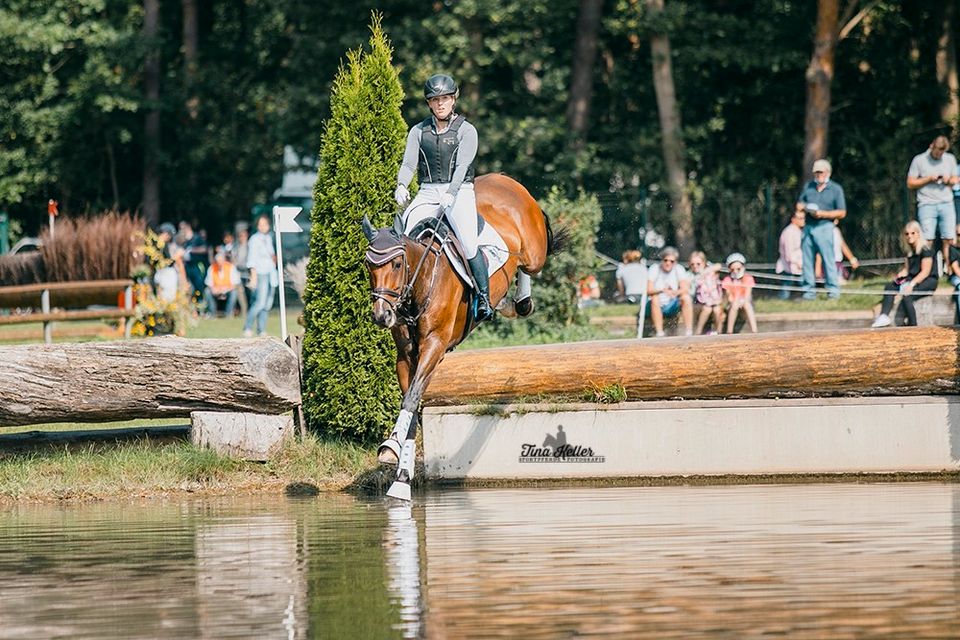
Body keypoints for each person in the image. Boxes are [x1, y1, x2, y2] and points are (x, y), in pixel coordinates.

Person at [394, 73, 492, 321]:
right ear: (429, 103)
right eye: (435, 100)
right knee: (407, 235)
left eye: (445, 99)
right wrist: (402, 185)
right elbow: (408, 164)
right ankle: (405, 295)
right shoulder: (418, 131)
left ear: (453, 100)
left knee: (469, 243)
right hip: (427, 191)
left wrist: (451, 193)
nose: (440, 104)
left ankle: (483, 298)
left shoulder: (467, 130)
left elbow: (462, 167)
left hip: (459, 191)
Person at [871, 220, 939, 328]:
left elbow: (925, 272)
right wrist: (898, 277)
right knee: (890, 286)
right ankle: (884, 316)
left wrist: (911, 285)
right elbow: (907, 270)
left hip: (927, 281)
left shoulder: (926, 249)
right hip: (913, 279)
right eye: (907, 234)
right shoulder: (910, 251)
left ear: (918, 233)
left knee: (907, 296)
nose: (909, 236)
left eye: (913, 233)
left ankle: (913, 325)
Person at [907, 135, 960, 270]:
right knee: (927, 239)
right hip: (927, 203)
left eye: (941, 152)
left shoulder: (949, 159)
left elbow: (955, 179)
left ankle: (950, 272)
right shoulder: (919, 160)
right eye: (937, 152)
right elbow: (910, 183)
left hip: (946, 202)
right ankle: (928, 270)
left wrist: (948, 180)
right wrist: (929, 179)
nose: (939, 155)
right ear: (932, 146)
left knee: (949, 239)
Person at [797, 159, 846, 300]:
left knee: (828, 260)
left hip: (825, 226)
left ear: (828, 172)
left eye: (821, 172)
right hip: (809, 226)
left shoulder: (836, 189)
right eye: (816, 172)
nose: (818, 175)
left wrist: (823, 214)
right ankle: (808, 292)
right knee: (807, 261)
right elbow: (800, 204)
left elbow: (842, 212)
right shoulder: (808, 187)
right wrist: (803, 208)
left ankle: (833, 291)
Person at [646, 246, 693, 337]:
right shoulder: (654, 268)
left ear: (675, 262)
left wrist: (674, 292)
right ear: (662, 260)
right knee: (655, 298)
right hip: (656, 304)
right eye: (666, 260)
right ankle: (659, 333)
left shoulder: (679, 269)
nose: (668, 263)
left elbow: (685, 289)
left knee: (686, 298)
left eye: (672, 261)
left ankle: (689, 332)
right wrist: (662, 291)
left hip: (672, 303)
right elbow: (649, 290)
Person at [243, 215, 277, 337]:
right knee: (259, 303)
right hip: (261, 273)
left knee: (267, 304)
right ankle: (247, 327)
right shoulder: (254, 239)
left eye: (265, 224)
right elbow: (252, 259)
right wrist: (253, 276)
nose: (263, 226)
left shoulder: (269, 238)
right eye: (260, 224)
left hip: (271, 273)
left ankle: (261, 329)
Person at [721, 252, 758, 334]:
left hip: (745, 303)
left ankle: (754, 330)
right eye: (732, 269)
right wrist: (736, 302)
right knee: (734, 304)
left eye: (738, 269)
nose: (735, 272)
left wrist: (742, 301)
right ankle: (729, 331)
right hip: (733, 305)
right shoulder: (727, 280)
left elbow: (747, 295)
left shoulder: (748, 278)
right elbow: (729, 297)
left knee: (747, 304)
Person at [688, 251, 723, 335]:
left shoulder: (709, 270)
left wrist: (704, 272)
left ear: (704, 263)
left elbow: (718, 266)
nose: (695, 266)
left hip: (713, 301)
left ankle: (720, 332)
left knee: (717, 310)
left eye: (698, 264)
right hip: (698, 303)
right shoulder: (689, 275)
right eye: (692, 264)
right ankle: (698, 332)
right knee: (707, 308)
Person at [203, 248, 241, 317]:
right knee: (207, 291)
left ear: (224, 260)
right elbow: (209, 283)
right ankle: (212, 313)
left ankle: (228, 313)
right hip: (216, 290)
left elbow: (235, 283)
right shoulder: (212, 268)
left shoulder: (231, 267)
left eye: (221, 261)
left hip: (228, 290)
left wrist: (225, 289)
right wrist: (213, 289)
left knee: (234, 292)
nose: (220, 263)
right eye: (218, 261)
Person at [775, 210, 804, 299]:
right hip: (789, 266)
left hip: (797, 265)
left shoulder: (798, 231)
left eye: (804, 218)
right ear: (793, 219)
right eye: (800, 218)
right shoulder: (789, 232)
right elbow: (788, 252)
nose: (803, 220)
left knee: (802, 286)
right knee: (785, 290)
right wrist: (797, 263)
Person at [178, 220, 209, 300]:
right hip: (187, 266)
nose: (181, 230)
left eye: (182, 228)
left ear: (188, 227)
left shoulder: (197, 237)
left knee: (199, 286)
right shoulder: (184, 240)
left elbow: (204, 249)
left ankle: (201, 305)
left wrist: (192, 250)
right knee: (188, 286)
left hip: (197, 265)